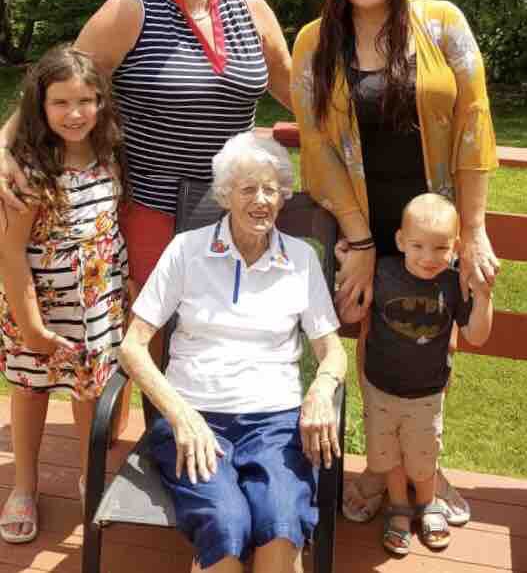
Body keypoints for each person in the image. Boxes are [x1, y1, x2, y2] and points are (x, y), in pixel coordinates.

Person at [290, 0, 499, 524]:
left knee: (430, 342)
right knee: (369, 337)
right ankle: (380, 473)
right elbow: (316, 144)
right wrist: (356, 241)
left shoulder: (443, 25)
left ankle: (425, 472)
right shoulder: (313, 41)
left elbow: (475, 124)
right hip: (358, 222)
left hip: (431, 227)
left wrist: (476, 228)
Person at [0, 0, 292, 298]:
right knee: (152, 326)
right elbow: (55, 82)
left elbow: (295, 88)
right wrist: (3, 144)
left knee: (222, 321)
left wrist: (350, 135)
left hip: (234, 203)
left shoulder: (251, 6)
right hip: (153, 205)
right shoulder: (130, 9)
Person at [118, 132, 347, 573]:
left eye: (271, 190)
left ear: (283, 197)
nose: (261, 200)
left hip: (277, 423)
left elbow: (331, 349)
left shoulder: (300, 258)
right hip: (195, 415)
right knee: (226, 522)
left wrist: (320, 388)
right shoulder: (187, 250)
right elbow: (132, 347)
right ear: (225, 195)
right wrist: (180, 415)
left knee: (281, 520)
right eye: (248, 189)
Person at [0, 45, 130, 544]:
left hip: (97, 305)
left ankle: (88, 476)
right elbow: (10, 254)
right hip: (40, 306)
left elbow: (109, 225)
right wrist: (30, 326)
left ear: (100, 102)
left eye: (86, 100)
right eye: (61, 103)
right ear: (40, 104)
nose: (75, 114)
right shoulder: (27, 168)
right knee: (31, 389)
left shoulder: (110, 152)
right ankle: (24, 487)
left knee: (90, 392)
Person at [338, 194, 492, 555]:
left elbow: (477, 335)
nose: (428, 257)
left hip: (426, 393)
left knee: (423, 457)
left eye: (440, 248)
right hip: (380, 390)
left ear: (455, 248)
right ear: (400, 242)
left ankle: (428, 503)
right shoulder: (382, 272)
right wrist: (347, 268)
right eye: (418, 245)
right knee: (387, 456)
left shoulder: (454, 284)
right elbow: (349, 316)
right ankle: (400, 508)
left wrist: (483, 296)